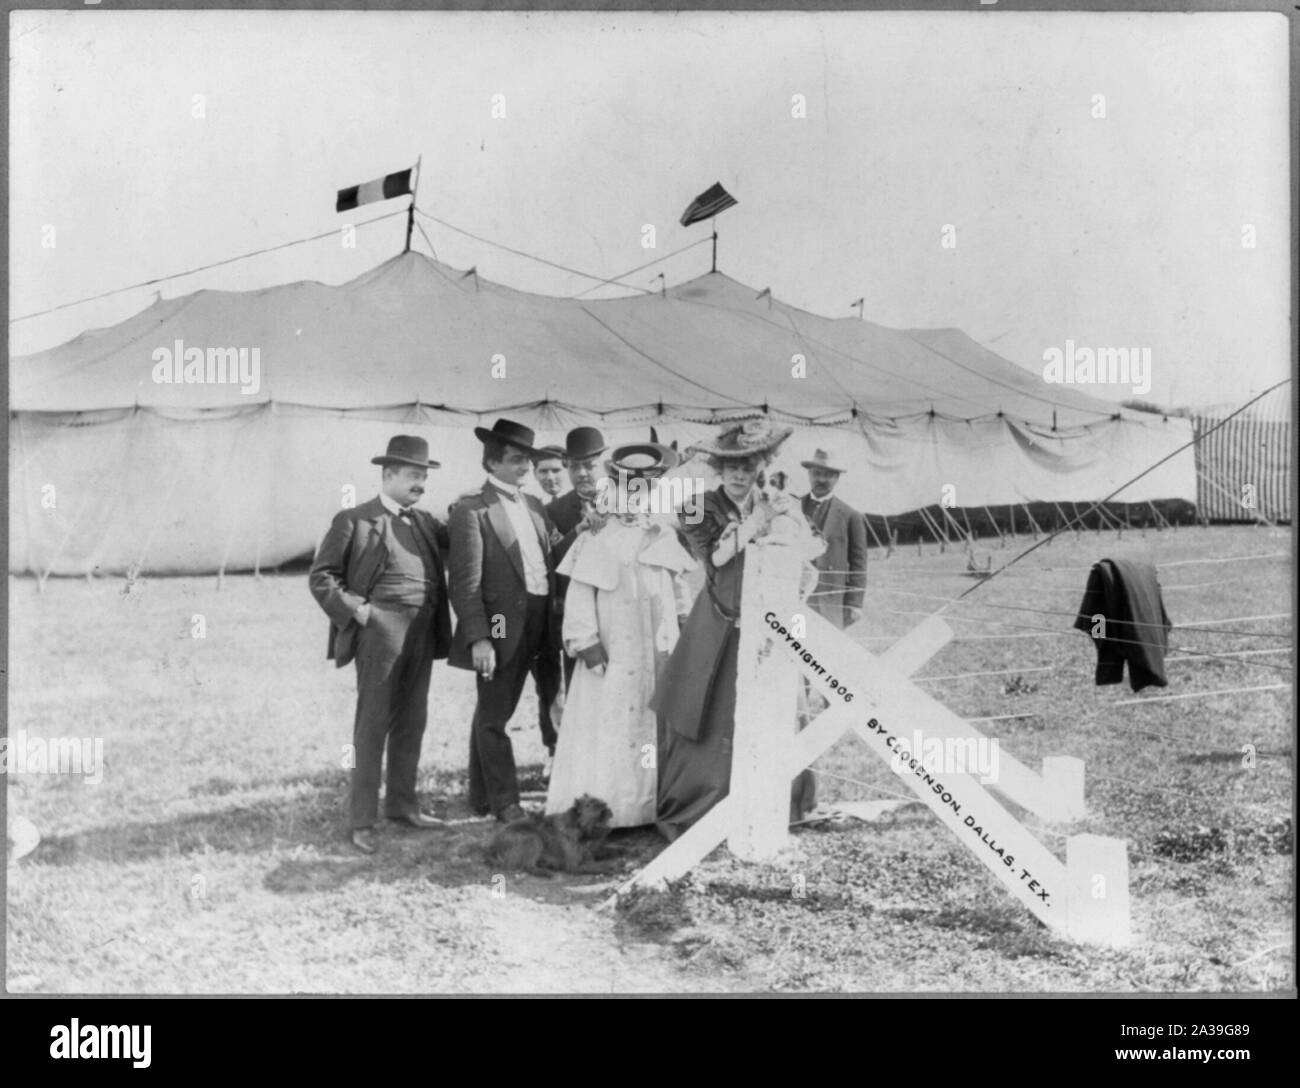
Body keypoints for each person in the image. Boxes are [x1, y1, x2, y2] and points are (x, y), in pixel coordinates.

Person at [651, 418, 803, 842]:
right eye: (731, 466)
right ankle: (705, 808)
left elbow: (803, 555)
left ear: (761, 464)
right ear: (718, 467)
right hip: (719, 620)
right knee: (710, 714)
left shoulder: (777, 500)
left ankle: (769, 802)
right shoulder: (696, 505)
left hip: (769, 622)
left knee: (771, 709)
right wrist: (757, 522)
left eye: (748, 465)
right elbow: (715, 560)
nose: (739, 474)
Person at [309, 435, 453, 854]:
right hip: (380, 630)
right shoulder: (354, 519)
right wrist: (356, 610)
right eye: (413, 475)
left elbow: (461, 538)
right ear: (388, 475)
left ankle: (403, 806)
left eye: (424, 477)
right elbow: (322, 576)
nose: (420, 484)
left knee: (413, 719)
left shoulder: (425, 522)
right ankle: (362, 820)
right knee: (372, 723)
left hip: (423, 631)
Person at [545, 439, 696, 828]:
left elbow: (678, 592)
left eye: (646, 488)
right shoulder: (596, 536)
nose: (637, 495)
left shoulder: (663, 536)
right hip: (612, 652)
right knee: (609, 724)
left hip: (656, 651)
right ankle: (610, 809)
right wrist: (586, 643)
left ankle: (649, 807)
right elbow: (579, 595)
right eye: (630, 486)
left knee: (651, 723)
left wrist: (682, 632)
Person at [448, 418, 560, 823]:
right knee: (495, 714)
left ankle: (481, 795)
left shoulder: (532, 505)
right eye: (516, 460)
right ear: (492, 463)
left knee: (552, 703)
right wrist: (481, 639)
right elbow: (465, 584)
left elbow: (550, 557)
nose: (525, 468)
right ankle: (505, 803)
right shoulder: (471, 511)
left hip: (542, 621)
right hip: (499, 624)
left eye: (527, 460)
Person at [546, 426, 609, 687]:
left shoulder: (626, 503)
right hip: (577, 621)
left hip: (618, 614)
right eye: (574, 467)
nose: (581, 473)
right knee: (578, 691)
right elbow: (550, 561)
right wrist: (576, 532)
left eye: (589, 465)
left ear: (604, 467)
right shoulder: (554, 511)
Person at [528, 444, 569, 757]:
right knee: (548, 682)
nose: (550, 477)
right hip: (546, 610)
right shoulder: (534, 510)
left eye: (556, 470)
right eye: (543, 471)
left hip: (581, 607)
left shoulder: (589, 504)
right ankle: (554, 748)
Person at [799, 449, 867, 629]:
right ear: (809, 474)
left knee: (825, 652)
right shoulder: (793, 507)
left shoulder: (851, 515)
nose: (821, 479)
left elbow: (858, 563)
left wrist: (855, 603)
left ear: (837, 478)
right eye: (816, 473)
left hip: (830, 599)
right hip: (796, 596)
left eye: (828, 475)